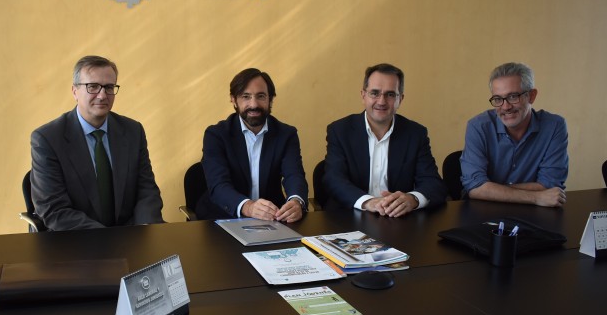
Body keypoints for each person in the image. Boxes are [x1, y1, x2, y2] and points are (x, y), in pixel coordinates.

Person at [30, 55, 163, 230]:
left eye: (109, 87)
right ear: (75, 91)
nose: (102, 95)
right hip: (76, 238)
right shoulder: (47, 139)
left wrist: (144, 228)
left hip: (130, 235)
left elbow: (146, 190)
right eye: (92, 86)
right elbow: (54, 210)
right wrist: (108, 239)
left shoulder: (133, 131)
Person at [323, 63, 446, 217]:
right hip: (349, 217)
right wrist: (368, 202)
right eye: (374, 93)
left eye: (390, 94)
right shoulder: (340, 130)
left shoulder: (416, 134)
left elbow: (433, 183)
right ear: (363, 95)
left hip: (397, 219)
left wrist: (413, 199)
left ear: (400, 99)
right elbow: (333, 179)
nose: (381, 101)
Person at [198, 68, 308, 222]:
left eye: (261, 96)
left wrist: (296, 201)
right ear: (234, 100)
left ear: (270, 99)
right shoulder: (216, 135)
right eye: (246, 97)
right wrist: (248, 207)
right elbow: (218, 185)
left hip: (272, 219)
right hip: (222, 217)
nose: (254, 104)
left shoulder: (286, 134)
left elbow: (294, 175)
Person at [460, 62, 568, 207]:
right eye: (498, 99)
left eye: (513, 96)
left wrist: (491, 189)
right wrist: (536, 197)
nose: (505, 107)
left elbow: (550, 184)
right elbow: (475, 187)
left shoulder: (554, 126)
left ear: (531, 96)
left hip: (535, 212)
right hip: (486, 211)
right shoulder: (478, 126)